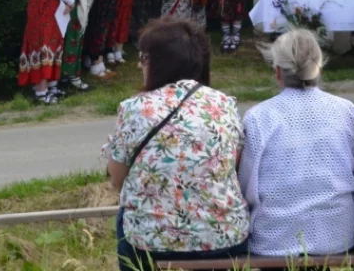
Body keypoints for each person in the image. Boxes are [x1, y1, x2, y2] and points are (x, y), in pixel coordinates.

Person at [104, 19, 249, 269]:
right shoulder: (224, 104)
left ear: (160, 62)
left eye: (143, 57)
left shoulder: (134, 109)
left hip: (151, 243)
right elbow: (233, 168)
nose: (139, 64)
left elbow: (117, 180)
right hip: (224, 239)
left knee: (126, 214)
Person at [239, 29, 354, 257]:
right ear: (319, 67)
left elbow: (248, 185)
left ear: (277, 72)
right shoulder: (347, 111)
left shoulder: (258, 117)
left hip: (274, 239)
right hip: (338, 235)